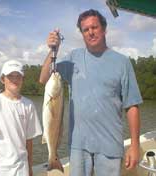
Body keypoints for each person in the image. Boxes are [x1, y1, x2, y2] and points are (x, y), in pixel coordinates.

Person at [39, 9, 142, 176]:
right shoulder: (73, 58)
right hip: (78, 145)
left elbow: (132, 106)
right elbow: (44, 78)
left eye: (94, 27)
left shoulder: (122, 62)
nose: (90, 32)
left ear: (104, 29)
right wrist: (53, 50)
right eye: (85, 30)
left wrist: (135, 145)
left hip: (110, 145)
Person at [0, 60, 42, 176]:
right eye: (10, 76)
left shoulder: (28, 105)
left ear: (23, 79)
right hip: (1, 169)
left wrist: (29, 168)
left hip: (22, 167)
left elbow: (28, 141)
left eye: (18, 76)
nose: (15, 80)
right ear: (3, 79)